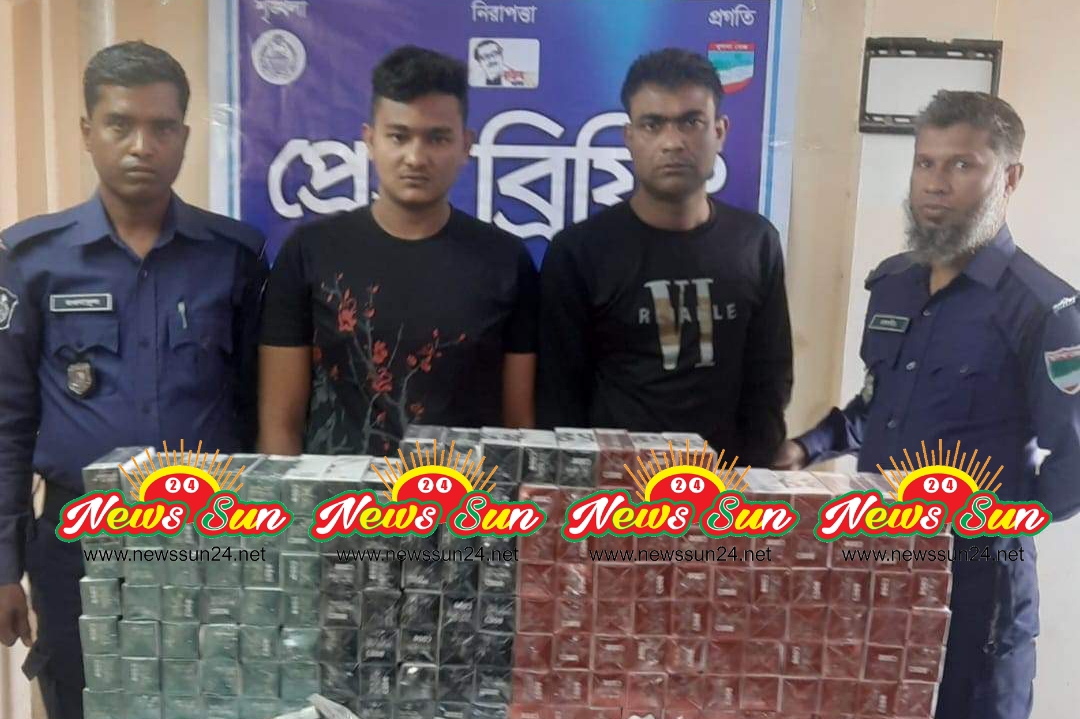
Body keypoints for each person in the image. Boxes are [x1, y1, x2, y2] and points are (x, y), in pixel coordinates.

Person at [774, 90, 1080, 719]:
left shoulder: (1043, 309)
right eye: (925, 163)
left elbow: (1075, 458)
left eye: (962, 165)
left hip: (977, 587)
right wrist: (807, 447)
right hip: (878, 560)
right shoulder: (893, 284)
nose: (936, 183)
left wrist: (999, 525)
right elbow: (875, 405)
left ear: (1010, 178)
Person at [0, 41, 266, 719]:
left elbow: (258, 409)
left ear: (185, 136)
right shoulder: (32, 259)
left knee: (210, 702)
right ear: (87, 132)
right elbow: (7, 421)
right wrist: (2, 567)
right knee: (79, 699)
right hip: (78, 536)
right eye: (120, 124)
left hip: (208, 532)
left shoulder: (233, 256)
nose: (141, 145)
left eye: (161, 127)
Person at [258, 45, 538, 457]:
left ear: (466, 145)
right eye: (398, 136)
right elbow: (279, 424)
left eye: (437, 138)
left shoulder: (506, 262)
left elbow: (519, 429)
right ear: (370, 140)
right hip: (338, 497)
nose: (416, 157)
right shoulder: (309, 252)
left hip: (466, 496)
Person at [537, 47, 793, 466]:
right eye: (653, 124)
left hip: (726, 489)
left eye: (691, 122)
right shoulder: (579, 252)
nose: (673, 142)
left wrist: (753, 484)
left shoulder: (756, 242)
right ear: (629, 137)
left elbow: (770, 378)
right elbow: (559, 399)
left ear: (720, 131)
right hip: (615, 493)